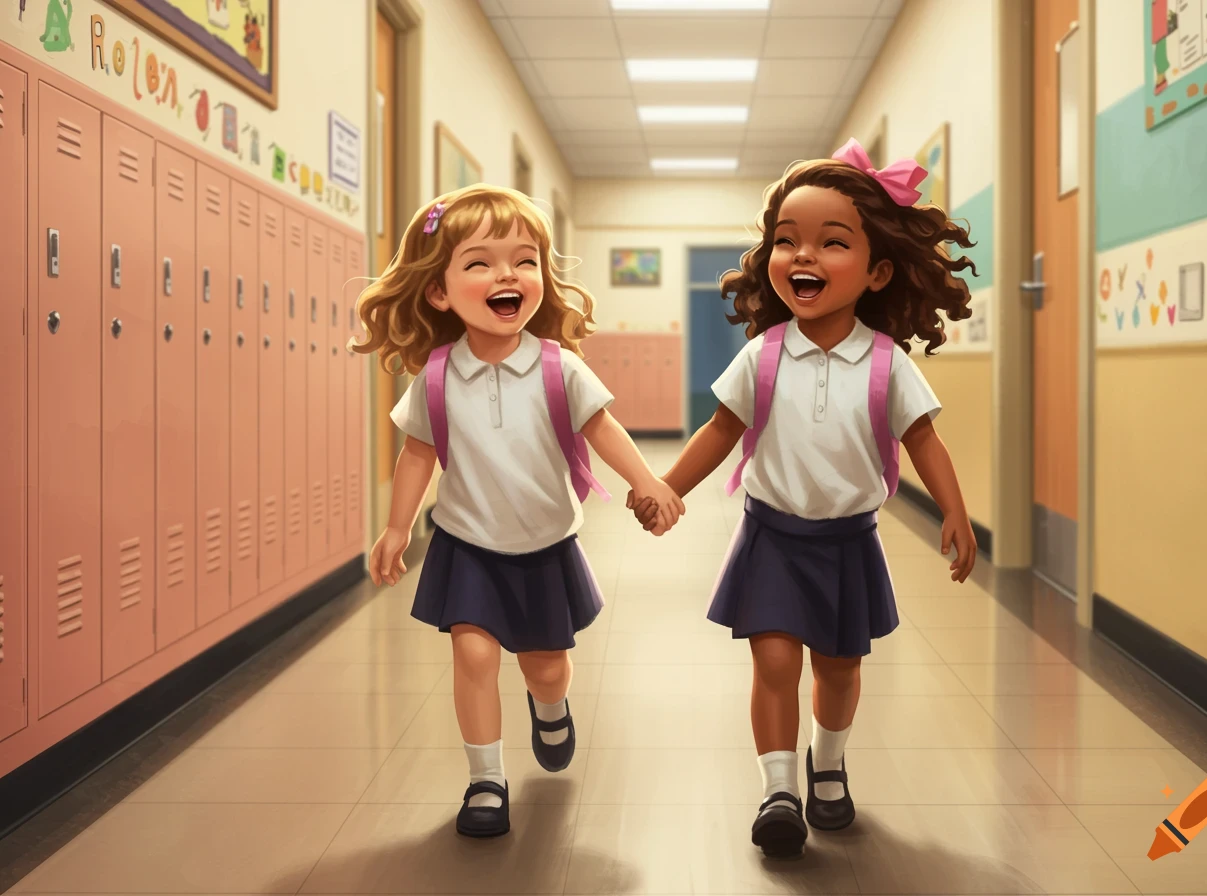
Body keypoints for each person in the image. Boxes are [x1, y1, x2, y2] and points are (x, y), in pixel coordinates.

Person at [629, 140, 979, 858]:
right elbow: (721, 428)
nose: (803, 256)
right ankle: (779, 788)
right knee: (775, 662)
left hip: (849, 541)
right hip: (772, 538)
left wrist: (955, 509)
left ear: (878, 270)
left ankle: (828, 763)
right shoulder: (763, 354)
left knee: (840, 667)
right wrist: (667, 487)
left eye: (831, 241)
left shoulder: (887, 362)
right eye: (786, 241)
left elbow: (924, 442)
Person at [354, 185, 684, 839]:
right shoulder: (439, 377)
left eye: (524, 260)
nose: (506, 274)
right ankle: (486, 780)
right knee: (472, 656)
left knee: (545, 664)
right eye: (479, 262)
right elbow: (417, 454)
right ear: (440, 292)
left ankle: (551, 708)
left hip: (543, 543)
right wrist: (397, 527)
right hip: (467, 541)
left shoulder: (561, 369)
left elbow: (605, 430)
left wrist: (650, 482)